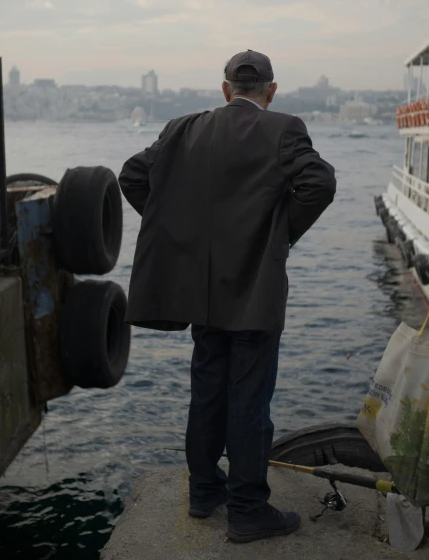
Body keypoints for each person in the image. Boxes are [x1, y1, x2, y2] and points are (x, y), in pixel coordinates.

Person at [119, 50, 336, 544]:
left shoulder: (182, 128)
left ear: (224, 89)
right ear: (271, 91)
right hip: (254, 290)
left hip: (201, 290)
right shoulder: (284, 128)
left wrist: (179, 234)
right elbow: (318, 183)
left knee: (207, 389)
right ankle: (246, 510)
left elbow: (132, 176)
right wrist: (278, 238)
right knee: (250, 401)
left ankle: (203, 493)